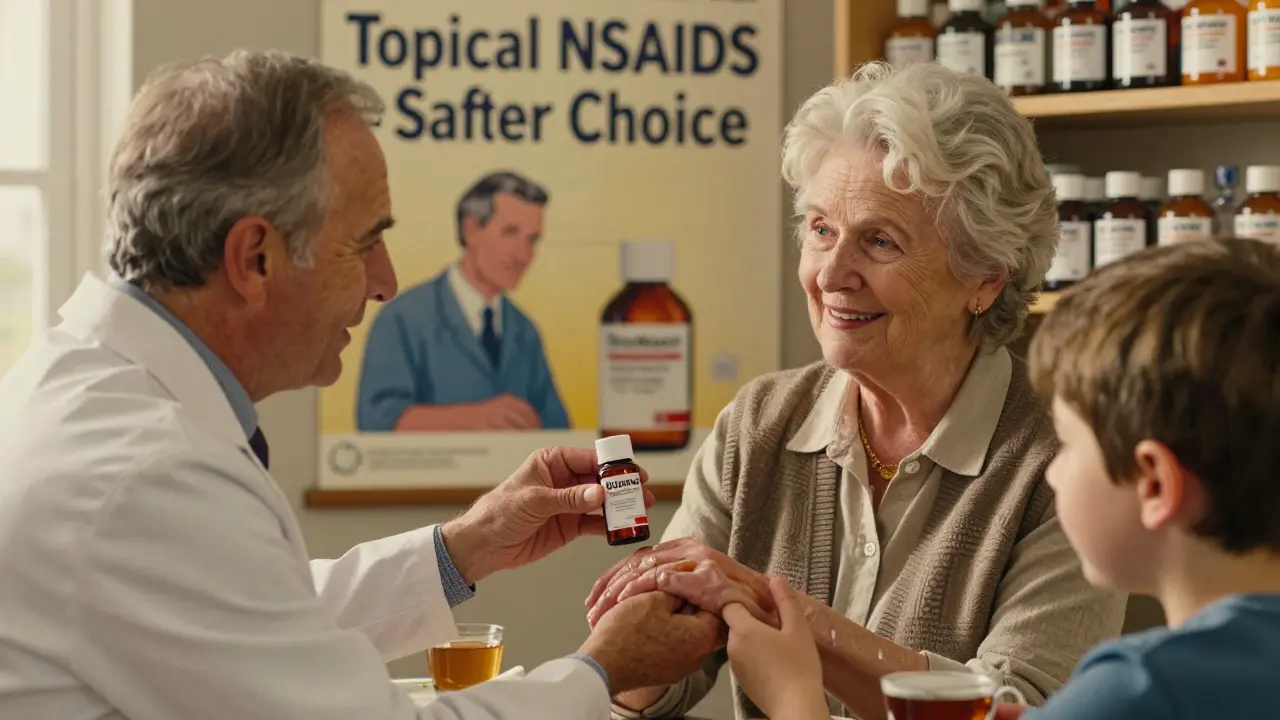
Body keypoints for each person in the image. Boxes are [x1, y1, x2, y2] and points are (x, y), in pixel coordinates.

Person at [0, 50, 724, 719]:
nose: (387, 283)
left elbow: (251, 625)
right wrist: (599, 671)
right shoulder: (145, 473)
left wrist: (463, 548)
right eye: (366, 242)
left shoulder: (94, 395)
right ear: (255, 257)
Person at [585, 60, 1128, 720]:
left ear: (985, 276)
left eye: (879, 240)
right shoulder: (759, 423)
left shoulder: (1071, 458)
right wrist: (626, 643)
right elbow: (654, 684)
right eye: (820, 230)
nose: (832, 273)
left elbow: (1017, 708)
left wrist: (775, 608)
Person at [721, 238, 1280, 720]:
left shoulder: (1139, 689)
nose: (1053, 473)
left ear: (1155, 484)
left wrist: (795, 694)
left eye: (1069, 445)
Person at [356, 170, 570, 432]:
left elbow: (558, 428)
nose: (523, 254)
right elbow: (375, 421)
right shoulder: (403, 318)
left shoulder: (525, 331)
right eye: (510, 232)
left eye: (532, 239)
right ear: (470, 229)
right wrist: (473, 418)